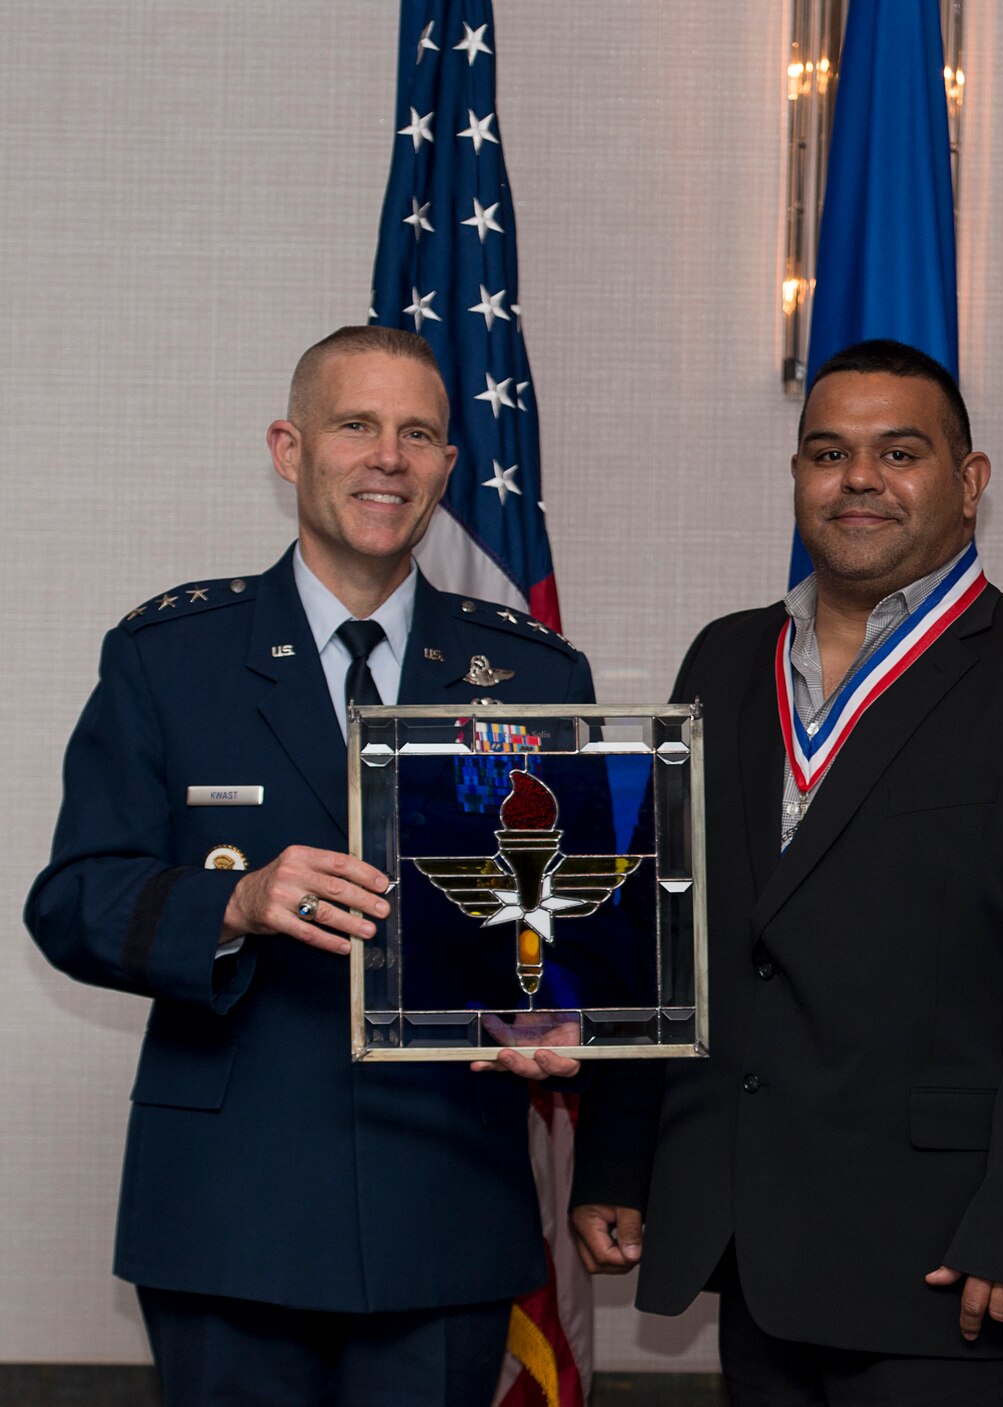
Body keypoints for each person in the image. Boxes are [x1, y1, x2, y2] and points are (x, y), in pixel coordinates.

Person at [568, 338, 1003, 1405]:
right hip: (753, 1256)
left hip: (958, 1271)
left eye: (899, 452)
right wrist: (620, 1158)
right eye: (826, 452)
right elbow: (665, 933)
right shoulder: (722, 658)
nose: (858, 479)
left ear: (968, 481)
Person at [25, 326, 593, 1407]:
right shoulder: (169, 657)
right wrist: (231, 901)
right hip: (227, 1210)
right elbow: (71, 900)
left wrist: (557, 1005)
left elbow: (566, 918)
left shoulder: (529, 675)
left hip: (444, 1206)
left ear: (446, 469)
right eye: (356, 426)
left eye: (418, 433)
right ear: (290, 449)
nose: (388, 456)